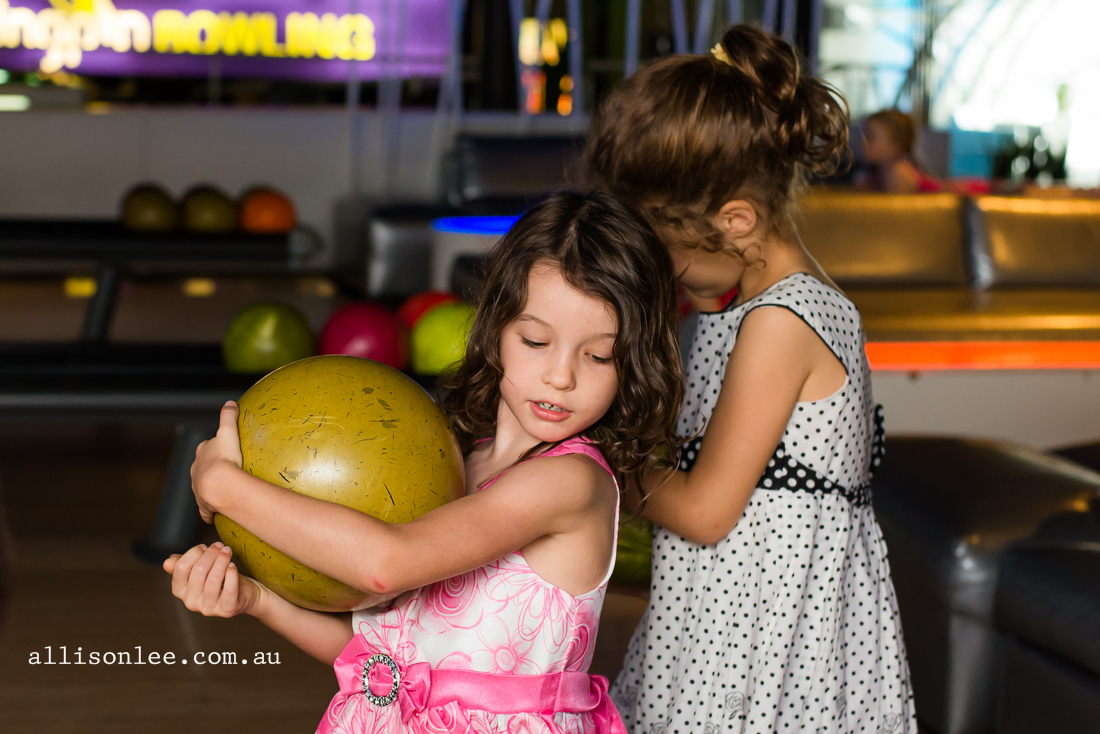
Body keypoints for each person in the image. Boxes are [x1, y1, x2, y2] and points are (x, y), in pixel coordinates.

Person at [163, 190, 684, 733]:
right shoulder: (456, 468)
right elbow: (380, 659)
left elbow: (384, 565)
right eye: (535, 340)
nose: (561, 376)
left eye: (599, 355)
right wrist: (256, 599)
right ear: (496, 328)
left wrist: (223, 485)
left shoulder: (570, 482)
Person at [586, 25, 917, 734]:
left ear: (734, 220)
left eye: (667, 259)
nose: (665, 281)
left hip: (764, 635)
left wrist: (597, 462)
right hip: (725, 613)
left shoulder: (782, 321)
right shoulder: (736, 309)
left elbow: (706, 511)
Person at [858, 108, 941, 193]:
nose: (863, 142)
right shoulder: (881, 170)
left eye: (870, 136)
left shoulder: (898, 173)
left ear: (895, 143)